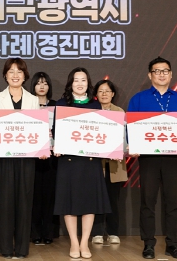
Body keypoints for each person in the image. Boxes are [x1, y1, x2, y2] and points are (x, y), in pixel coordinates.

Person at [127, 56, 177, 260]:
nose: (161, 74)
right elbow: (130, 126)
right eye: (157, 71)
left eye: (165, 71)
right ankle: (148, 244)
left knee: (173, 202)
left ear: (171, 74)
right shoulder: (138, 99)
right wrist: (131, 144)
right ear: (150, 75)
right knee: (148, 201)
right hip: (149, 157)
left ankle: (173, 244)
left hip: (175, 158)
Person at [54, 67, 110, 260]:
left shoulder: (95, 105)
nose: (80, 83)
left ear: (88, 83)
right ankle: (74, 242)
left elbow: (103, 132)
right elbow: (55, 131)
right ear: (70, 83)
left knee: (89, 202)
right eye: (76, 80)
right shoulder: (62, 104)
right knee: (69, 203)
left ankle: (85, 242)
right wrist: (57, 145)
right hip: (68, 160)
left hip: (90, 161)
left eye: (83, 80)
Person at [0, 58, 41, 259]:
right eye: (11, 71)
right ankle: (5, 247)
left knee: (24, 202)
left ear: (25, 75)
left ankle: (21, 248)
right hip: (3, 158)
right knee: (4, 202)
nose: (15, 75)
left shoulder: (33, 100)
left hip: (26, 158)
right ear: (5, 75)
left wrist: (41, 147)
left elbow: (37, 129)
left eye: (19, 71)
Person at [90, 79, 128, 245]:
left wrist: (121, 150)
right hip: (95, 164)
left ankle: (113, 232)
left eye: (107, 91)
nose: (104, 94)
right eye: (101, 91)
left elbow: (125, 137)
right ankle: (97, 232)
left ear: (113, 94)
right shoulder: (91, 112)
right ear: (96, 95)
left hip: (115, 164)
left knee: (113, 199)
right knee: (96, 199)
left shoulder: (120, 112)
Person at [29, 72, 58, 245]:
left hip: (52, 157)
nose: (41, 86)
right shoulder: (28, 106)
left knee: (49, 196)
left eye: (45, 83)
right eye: (38, 83)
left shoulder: (56, 106)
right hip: (32, 156)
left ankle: (48, 233)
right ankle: (34, 233)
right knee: (33, 196)